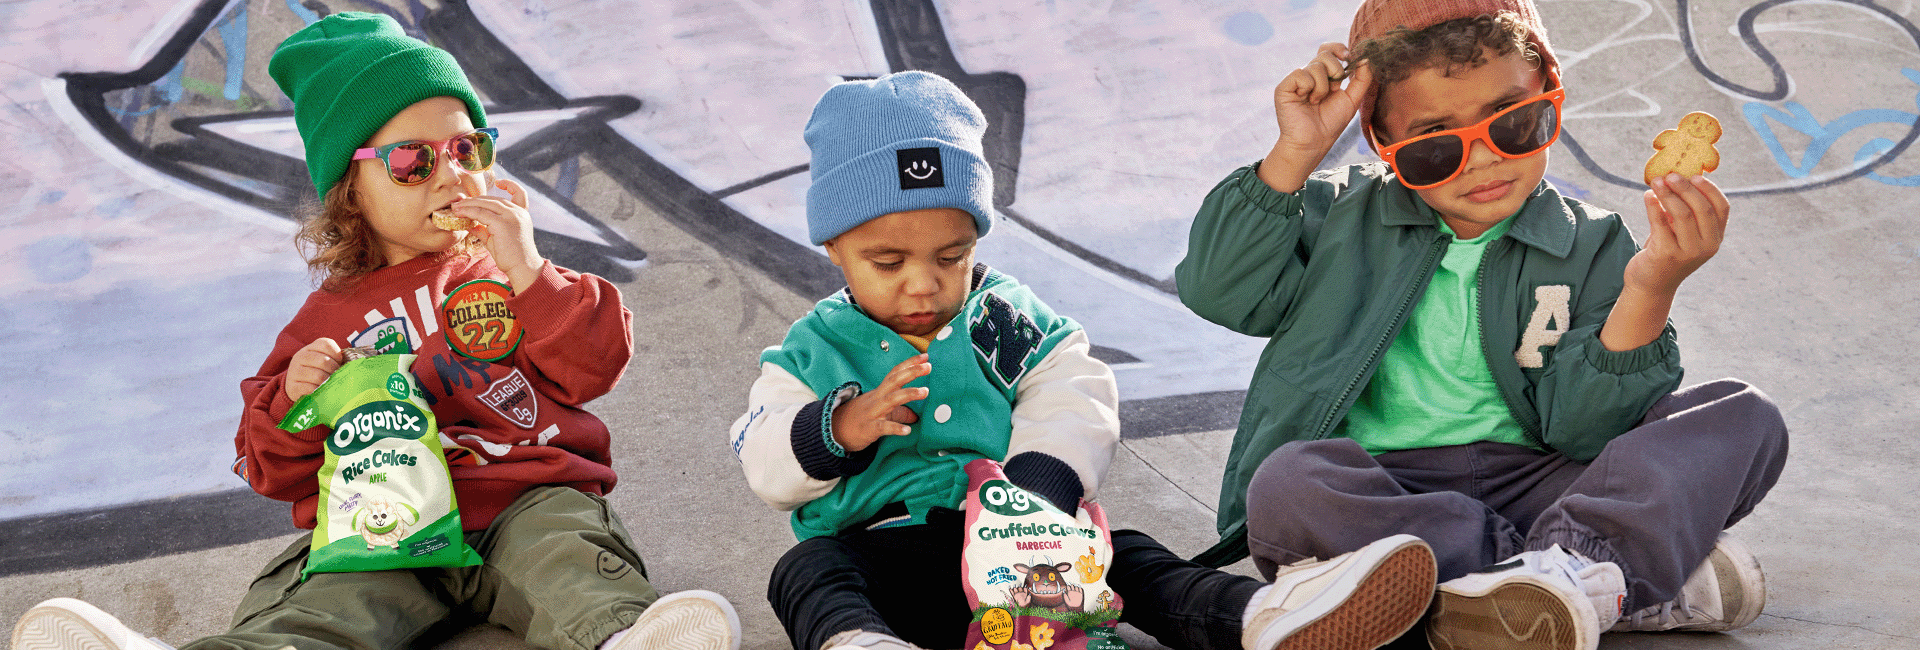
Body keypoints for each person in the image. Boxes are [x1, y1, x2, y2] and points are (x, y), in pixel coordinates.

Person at [9, 12, 738, 650]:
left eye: (467, 149)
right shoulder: (323, 320)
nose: (450, 176)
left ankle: (627, 636)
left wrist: (531, 267)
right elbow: (269, 465)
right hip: (386, 526)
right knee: (330, 605)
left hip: (525, 495)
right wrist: (297, 399)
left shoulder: (507, 272)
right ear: (350, 189)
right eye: (411, 161)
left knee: (569, 560)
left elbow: (597, 364)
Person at [729, 70, 1439, 650]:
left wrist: (1042, 491)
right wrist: (838, 427)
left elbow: (1072, 388)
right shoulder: (811, 350)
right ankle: (860, 644)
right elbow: (765, 457)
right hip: (886, 558)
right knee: (808, 569)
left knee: (1130, 555)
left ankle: (1262, 618)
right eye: (886, 261)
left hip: (1027, 553)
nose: (923, 282)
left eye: (952, 256)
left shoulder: (1002, 318)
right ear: (833, 248)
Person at [1174, 1, 1789, 649]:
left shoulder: (1594, 244)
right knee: (1288, 484)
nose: (1483, 161)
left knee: (1744, 417)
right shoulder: (1333, 217)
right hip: (1384, 494)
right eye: (1436, 145)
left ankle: (1554, 575)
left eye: (1514, 123)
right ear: (1386, 144)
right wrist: (1296, 152)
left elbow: (1586, 429)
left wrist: (1651, 285)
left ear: (1551, 101)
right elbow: (1218, 292)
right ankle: (1607, 582)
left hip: (1542, 483)